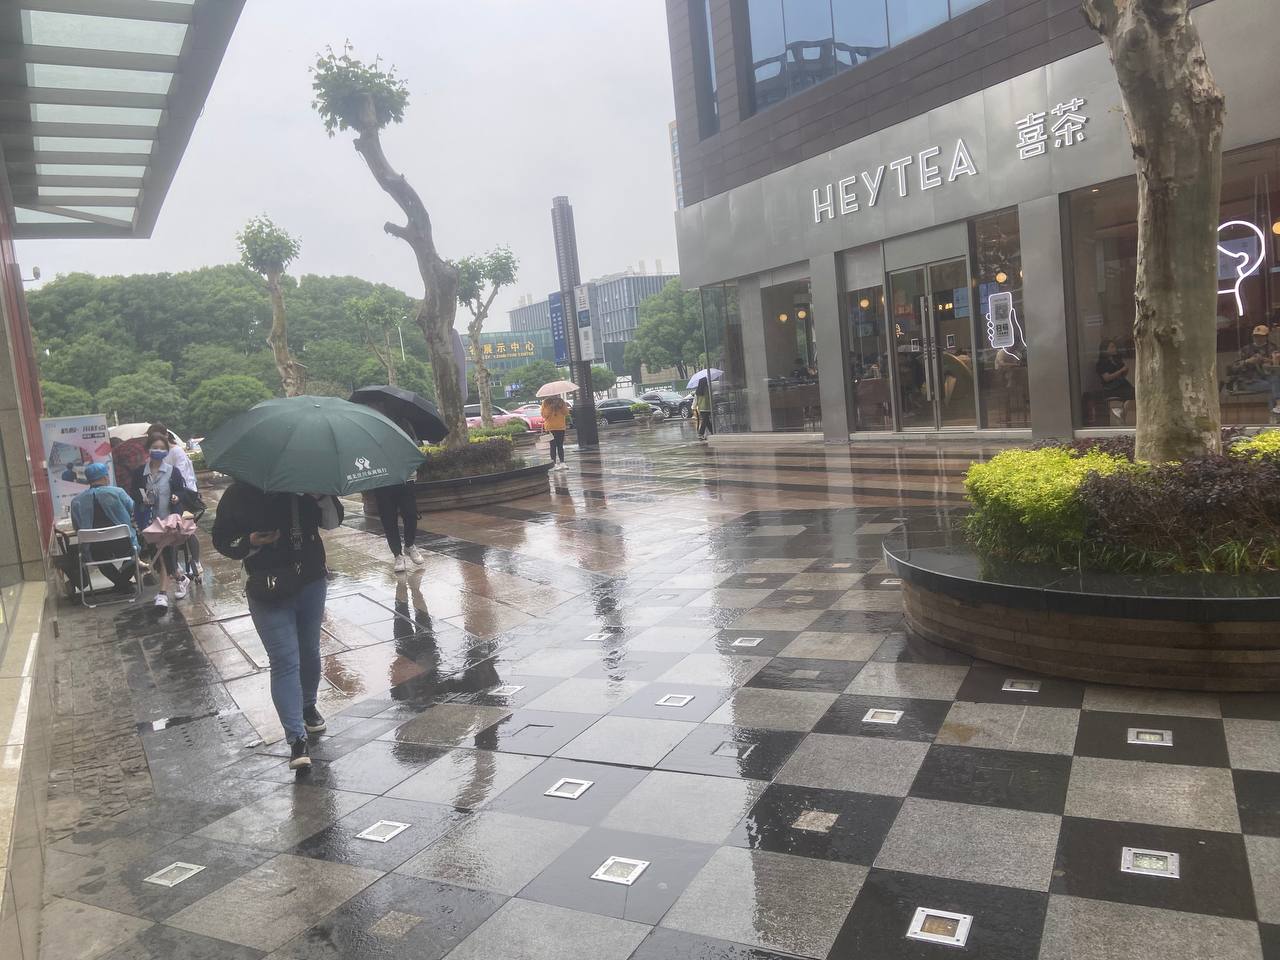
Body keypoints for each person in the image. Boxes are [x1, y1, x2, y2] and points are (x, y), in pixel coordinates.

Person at [212, 483, 343, 769]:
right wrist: (251, 541)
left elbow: (333, 522)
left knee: (309, 650)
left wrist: (321, 495)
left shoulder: (303, 482)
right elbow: (222, 540)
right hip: (267, 587)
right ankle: (296, 739)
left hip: (311, 581)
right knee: (284, 660)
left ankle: (308, 705)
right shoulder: (239, 493)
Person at [131, 433, 191, 608]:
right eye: (155, 447)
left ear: (167, 450)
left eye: (162, 448)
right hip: (149, 521)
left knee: (164, 554)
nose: (158, 450)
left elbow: (182, 491)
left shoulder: (173, 472)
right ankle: (181, 578)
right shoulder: (139, 473)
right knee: (157, 556)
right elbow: (134, 492)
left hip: (168, 521)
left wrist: (176, 497)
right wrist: (143, 499)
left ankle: (163, 593)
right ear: (148, 449)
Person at [70, 462, 138, 593]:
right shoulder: (118, 492)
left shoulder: (77, 501)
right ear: (105, 477)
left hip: (94, 550)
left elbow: (77, 527)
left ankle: (120, 583)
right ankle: (122, 583)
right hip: (124, 546)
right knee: (137, 547)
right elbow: (134, 512)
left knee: (100, 558)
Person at [147, 423, 203, 578]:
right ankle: (174, 565)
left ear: (166, 435)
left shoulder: (176, 451)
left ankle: (196, 561)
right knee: (167, 529)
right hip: (164, 497)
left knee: (185, 528)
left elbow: (182, 477)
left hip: (184, 495)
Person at [1231, 324, 1280, 414]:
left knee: (1275, 380)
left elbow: (1276, 363)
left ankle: (1277, 409)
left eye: (1261, 336)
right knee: (1274, 386)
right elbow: (1234, 367)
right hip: (1249, 380)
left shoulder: (1272, 347)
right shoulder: (1246, 349)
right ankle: (1275, 411)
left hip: (1267, 376)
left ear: (1266, 337)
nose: (1258, 338)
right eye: (1256, 336)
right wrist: (1248, 361)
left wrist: (1266, 360)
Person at [1096, 338, 1135, 424]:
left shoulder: (1116, 360)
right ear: (1105, 349)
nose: (1115, 349)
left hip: (1121, 384)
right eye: (1112, 347)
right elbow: (1107, 378)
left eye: (1115, 347)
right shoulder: (1101, 363)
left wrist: (1125, 371)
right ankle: (1122, 413)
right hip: (1112, 388)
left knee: (1135, 393)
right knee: (1132, 393)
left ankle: (1123, 412)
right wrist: (1121, 371)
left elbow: (1121, 374)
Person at [540, 395, 569, 469]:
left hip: (560, 427)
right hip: (550, 428)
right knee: (553, 446)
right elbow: (544, 415)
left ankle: (562, 462)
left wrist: (561, 406)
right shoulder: (546, 402)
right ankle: (554, 463)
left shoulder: (561, 401)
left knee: (560, 446)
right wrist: (550, 407)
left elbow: (566, 413)